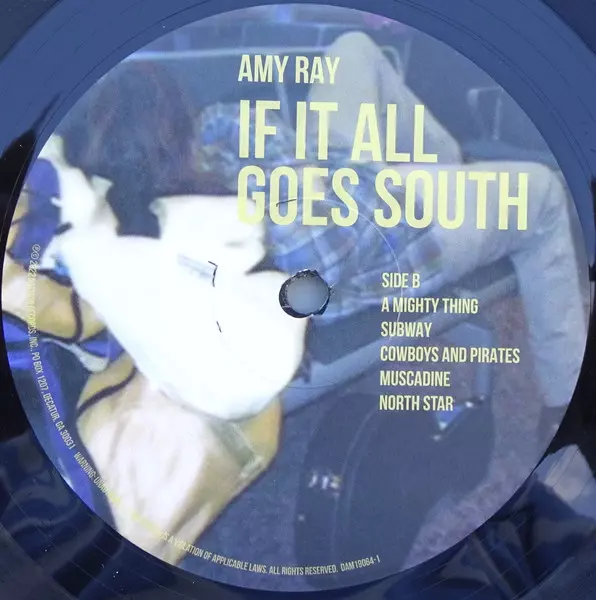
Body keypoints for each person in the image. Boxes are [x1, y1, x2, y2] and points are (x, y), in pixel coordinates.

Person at [196, 31, 589, 439]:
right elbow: (322, 245)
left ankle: (452, 169)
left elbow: (225, 125)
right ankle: (566, 398)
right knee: (545, 193)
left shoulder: (179, 165)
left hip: (335, 181)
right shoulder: (198, 230)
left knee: (354, 48)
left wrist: (282, 157)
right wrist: (291, 162)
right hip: (387, 228)